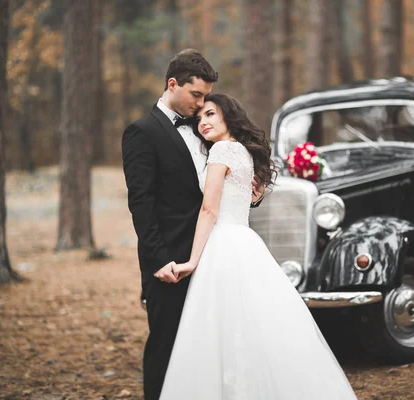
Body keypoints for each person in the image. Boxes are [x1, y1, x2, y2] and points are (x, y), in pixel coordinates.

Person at [157, 94, 358, 399]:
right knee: (257, 323)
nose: (204, 122)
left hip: (223, 244)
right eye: (199, 118)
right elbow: (249, 196)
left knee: (223, 326)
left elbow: (209, 210)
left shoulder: (221, 150)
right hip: (246, 241)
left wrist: (193, 260)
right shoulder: (242, 151)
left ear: (229, 116)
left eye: (210, 114)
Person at [122, 50, 264, 400]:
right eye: (196, 95)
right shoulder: (142, 132)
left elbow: (222, 186)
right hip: (171, 260)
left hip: (215, 259)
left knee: (211, 348)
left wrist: (253, 193)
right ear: (173, 84)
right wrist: (158, 260)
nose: (201, 105)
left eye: (205, 98)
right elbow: (142, 203)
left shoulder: (203, 129)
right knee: (167, 346)